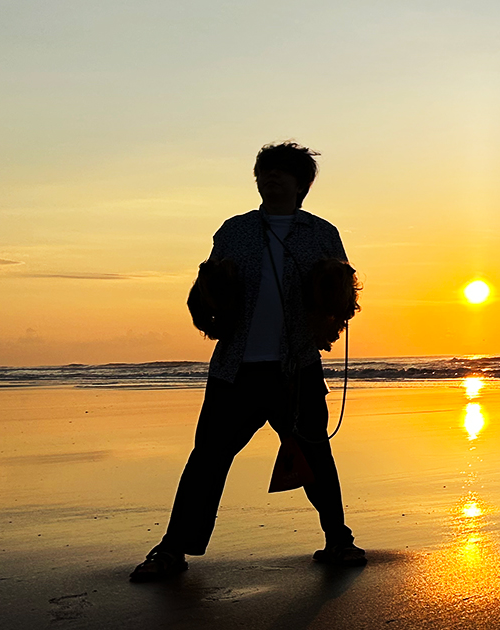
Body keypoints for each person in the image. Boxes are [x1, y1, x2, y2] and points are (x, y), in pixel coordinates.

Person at [130, 142, 364, 582]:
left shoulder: (321, 233)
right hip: (234, 369)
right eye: (264, 171)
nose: (271, 177)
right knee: (207, 460)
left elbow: (340, 298)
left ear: (301, 184)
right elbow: (205, 293)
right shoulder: (233, 230)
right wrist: (207, 310)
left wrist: (328, 325)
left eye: (281, 172)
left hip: (297, 367)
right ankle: (172, 550)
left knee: (315, 455)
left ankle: (340, 541)